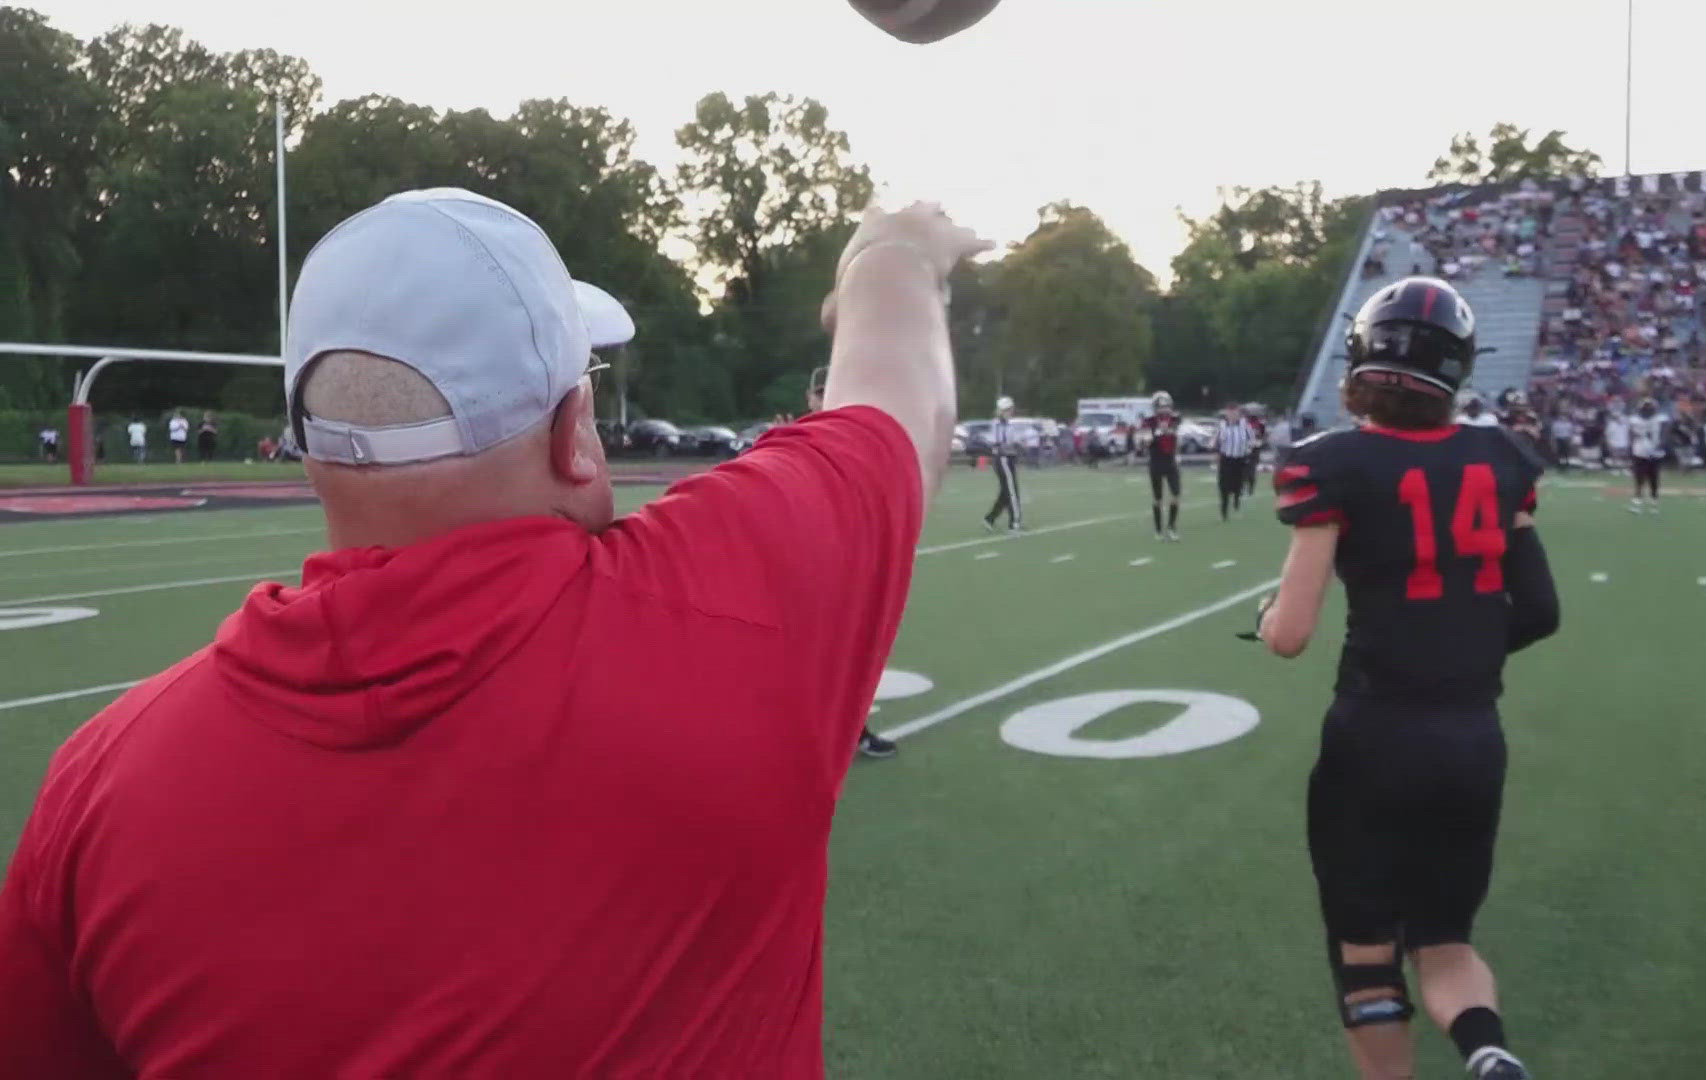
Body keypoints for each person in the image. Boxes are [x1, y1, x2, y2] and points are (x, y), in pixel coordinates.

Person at [0, 189, 986, 1077]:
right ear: (576, 430)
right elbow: (900, 399)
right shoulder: (732, 603)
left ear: (311, 452)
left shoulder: (98, 792)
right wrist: (890, 252)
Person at [1265, 275, 1558, 1080]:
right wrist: (1458, 650)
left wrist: (1264, 618)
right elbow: (1538, 608)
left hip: (1374, 735)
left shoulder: (1331, 462)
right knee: (1447, 940)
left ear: (1361, 357)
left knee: (1367, 955)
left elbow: (1289, 635)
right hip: (1471, 737)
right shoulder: (1502, 456)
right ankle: (1487, 1050)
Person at [807, 364, 900, 762]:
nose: (829, 396)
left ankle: (852, 731)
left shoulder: (856, 438)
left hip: (846, 560)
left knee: (849, 652)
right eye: (822, 390)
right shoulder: (792, 439)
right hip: (803, 562)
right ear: (811, 397)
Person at [1139, 389, 1182, 540]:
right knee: (1157, 498)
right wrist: (1156, 433)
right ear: (1155, 408)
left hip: (1170, 460)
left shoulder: (1175, 419)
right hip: (1156, 461)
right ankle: (1158, 529)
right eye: (1161, 406)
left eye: (1167, 406)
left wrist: (1166, 431)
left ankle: (1171, 527)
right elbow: (1145, 440)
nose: (1165, 409)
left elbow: (1175, 433)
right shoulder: (1148, 421)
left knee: (1175, 494)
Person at [982, 394, 1024, 532]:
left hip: (1009, 458)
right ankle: (1015, 522)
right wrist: (1013, 445)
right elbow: (999, 443)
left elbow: (1013, 441)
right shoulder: (997, 424)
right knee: (1012, 491)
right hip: (1003, 459)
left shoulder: (1009, 424)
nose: (1009, 412)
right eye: (1007, 410)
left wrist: (1019, 444)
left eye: (1010, 409)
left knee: (1006, 492)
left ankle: (990, 518)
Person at [1215, 402, 1254, 521]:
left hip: (1240, 459)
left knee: (1238, 485)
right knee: (1224, 486)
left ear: (1238, 413)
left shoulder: (1244, 425)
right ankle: (1224, 512)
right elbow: (1217, 441)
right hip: (1226, 459)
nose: (1232, 415)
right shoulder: (1222, 425)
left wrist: (1248, 449)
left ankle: (1236, 502)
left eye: (1234, 412)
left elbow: (1251, 439)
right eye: (1230, 412)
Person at [1627, 398, 1667, 514]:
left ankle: (1654, 501)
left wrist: (1661, 444)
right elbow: (1631, 434)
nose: (1647, 410)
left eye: (1650, 408)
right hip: (1640, 451)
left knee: (1653, 478)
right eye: (1646, 407)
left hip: (1655, 451)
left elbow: (1664, 433)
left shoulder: (1661, 419)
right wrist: (1631, 446)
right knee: (1639, 478)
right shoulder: (1634, 420)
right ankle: (1637, 501)